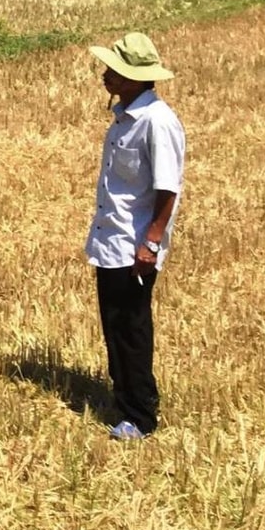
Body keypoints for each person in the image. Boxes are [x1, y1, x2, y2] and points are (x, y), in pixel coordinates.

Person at [85, 32, 186, 441]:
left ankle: (140, 415)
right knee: (114, 323)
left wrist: (151, 242)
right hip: (111, 240)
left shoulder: (158, 123)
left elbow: (167, 188)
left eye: (115, 71)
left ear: (137, 79)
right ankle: (123, 395)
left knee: (132, 326)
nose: (106, 76)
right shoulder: (125, 116)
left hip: (135, 245)